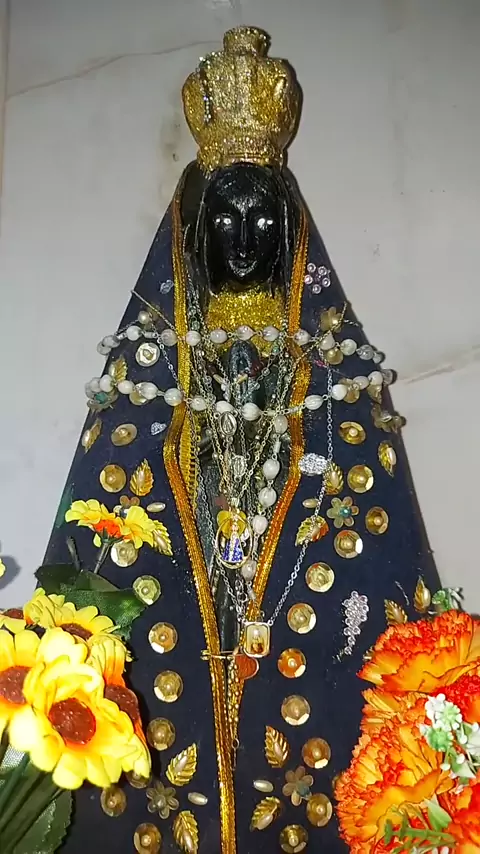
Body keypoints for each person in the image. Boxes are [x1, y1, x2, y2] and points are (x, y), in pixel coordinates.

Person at [45, 26, 440, 854]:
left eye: (265, 217)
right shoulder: (153, 375)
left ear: (292, 231)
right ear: (196, 228)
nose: (247, 239)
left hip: (291, 643)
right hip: (189, 619)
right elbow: (108, 518)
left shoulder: (330, 379)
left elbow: (375, 544)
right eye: (227, 216)